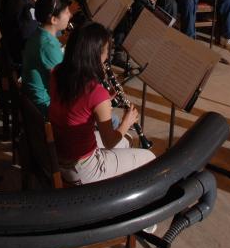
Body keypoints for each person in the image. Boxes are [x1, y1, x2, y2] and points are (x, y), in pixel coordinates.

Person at [47, 22, 154, 185]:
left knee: (126, 142)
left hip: (59, 154)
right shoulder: (96, 92)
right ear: (95, 55)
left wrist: (101, 104)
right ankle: (115, 195)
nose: (107, 58)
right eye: (106, 52)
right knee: (150, 157)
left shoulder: (57, 71)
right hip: (82, 168)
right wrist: (127, 121)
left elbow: (75, 106)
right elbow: (109, 142)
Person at [22, 0, 71, 115]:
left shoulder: (39, 33)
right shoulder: (48, 46)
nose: (70, 15)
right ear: (53, 19)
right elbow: (67, 85)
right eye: (66, 12)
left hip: (34, 103)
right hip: (45, 107)